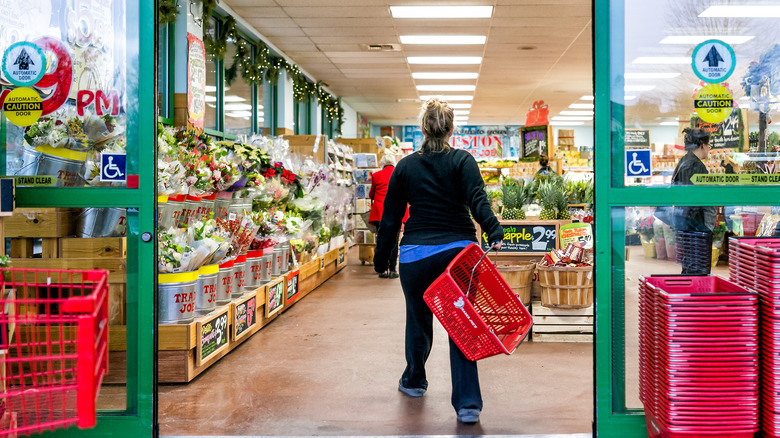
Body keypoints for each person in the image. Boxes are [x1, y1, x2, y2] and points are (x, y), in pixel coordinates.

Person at [373, 97, 504, 424]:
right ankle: (468, 404)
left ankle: (415, 381)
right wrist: (494, 231)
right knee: (462, 325)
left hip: (416, 254)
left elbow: (390, 219)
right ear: (451, 129)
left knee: (418, 319)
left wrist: (382, 259)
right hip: (459, 255)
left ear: (422, 128)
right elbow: (478, 200)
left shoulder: (404, 166)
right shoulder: (463, 160)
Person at [671, 128, 717, 274]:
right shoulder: (696, 166)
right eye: (709, 145)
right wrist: (706, 227)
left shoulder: (684, 161)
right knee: (698, 270)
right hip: (697, 226)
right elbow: (697, 198)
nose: (709, 149)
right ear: (702, 145)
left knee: (690, 266)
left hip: (686, 223)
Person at [368, 154, 404, 278]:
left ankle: (382, 269)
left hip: (379, 213)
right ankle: (393, 269)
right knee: (393, 241)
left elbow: (371, 195)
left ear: (382, 164)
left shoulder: (376, 175)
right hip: (395, 212)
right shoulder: (399, 174)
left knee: (382, 240)